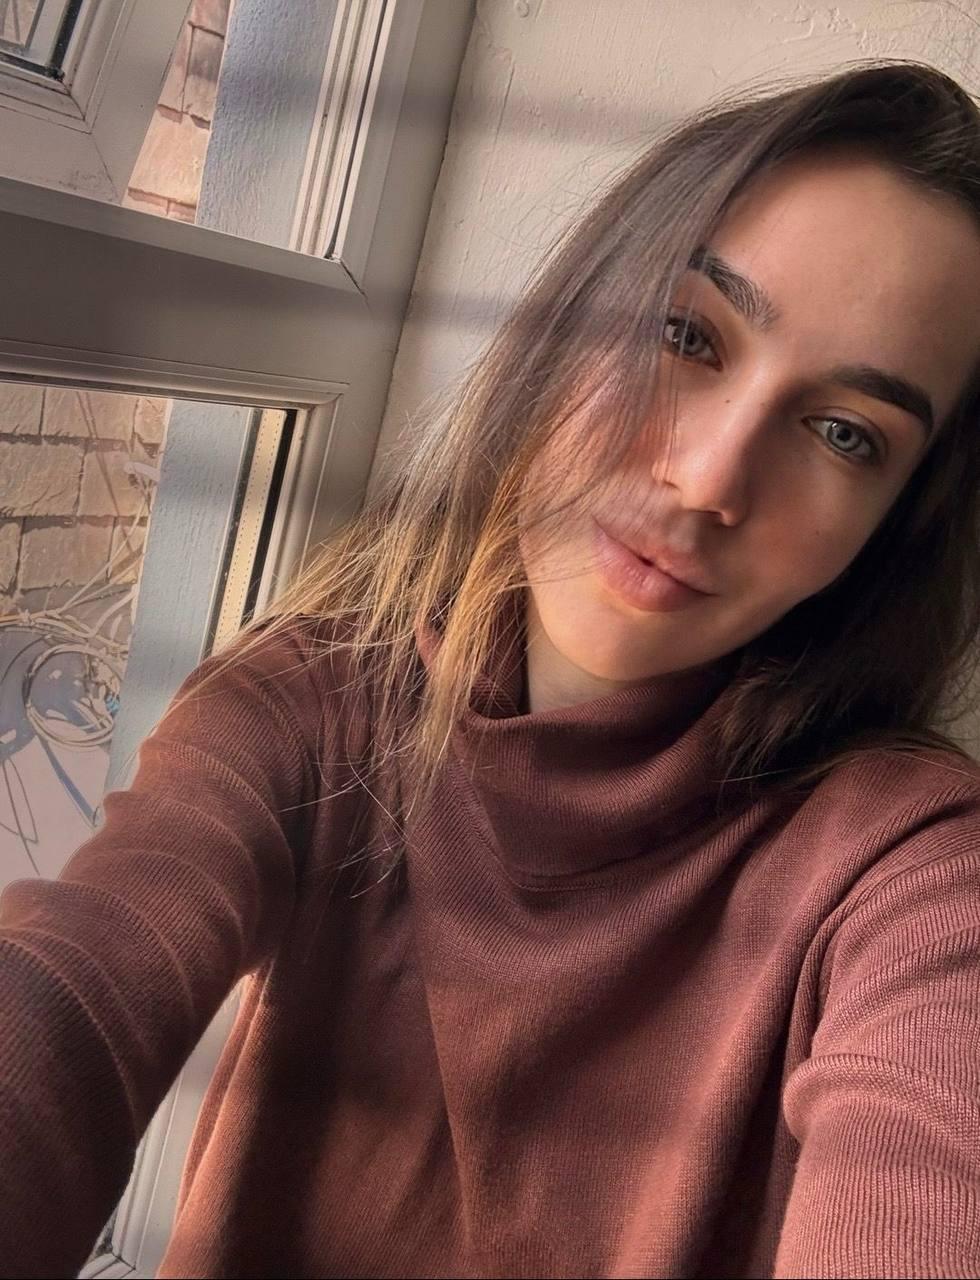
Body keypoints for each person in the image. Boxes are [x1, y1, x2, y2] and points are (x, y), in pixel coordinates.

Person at [2, 58, 980, 1280]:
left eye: (843, 433)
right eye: (685, 334)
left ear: (893, 525)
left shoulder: (905, 871)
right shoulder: (308, 702)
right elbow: (75, 985)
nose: (707, 480)